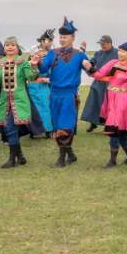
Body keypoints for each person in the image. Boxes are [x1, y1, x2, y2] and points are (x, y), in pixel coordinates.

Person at [38, 18, 91, 168]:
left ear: (73, 38)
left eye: (65, 37)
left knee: (65, 125)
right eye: (60, 37)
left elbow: (91, 72)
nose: (62, 40)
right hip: (54, 94)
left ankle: (61, 158)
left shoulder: (79, 54)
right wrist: (38, 63)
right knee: (56, 125)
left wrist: (89, 65)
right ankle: (71, 155)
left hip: (69, 95)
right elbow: (43, 70)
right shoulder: (52, 53)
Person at [0, 37, 40, 168]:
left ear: (17, 48)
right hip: (5, 101)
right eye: (7, 45)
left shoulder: (22, 63)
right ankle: (20, 157)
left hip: (19, 100)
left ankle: (12, 159)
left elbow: (31, 77)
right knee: (10, 129)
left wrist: (33, 65)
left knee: (10, 129)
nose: (10, 47)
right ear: (4, 48)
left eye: (12, 45)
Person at [94, 40, 127, 167]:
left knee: (113, 128)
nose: (120, 53)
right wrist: (90, 68)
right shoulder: (113, 63)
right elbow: (99, 75)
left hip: (122, 99)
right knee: (119, 130)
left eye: (123, 51)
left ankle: (112, 160)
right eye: (119, 51)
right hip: (110, 98)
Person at [82, 35, 116, 132]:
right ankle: (93, 123)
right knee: (94, 103)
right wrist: (88, 65)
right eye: (101, 44)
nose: (102, 46)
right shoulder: (99, 53)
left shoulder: (117, 53)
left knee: (108, 105)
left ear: (110, 43)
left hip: (110, 83)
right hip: (97, 82)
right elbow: (92, 63)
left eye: (104, 44)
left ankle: (108, 125)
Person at [25, 30, 54, 139]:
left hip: (43, 88)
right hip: (31, 88)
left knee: (46, 108)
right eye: (38, 54)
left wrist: (47, 79)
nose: (40, 55)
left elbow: (52, 74)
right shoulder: (28, 63)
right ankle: (33, 130)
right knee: (33, 109)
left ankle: (47, 130)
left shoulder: (48, 60)